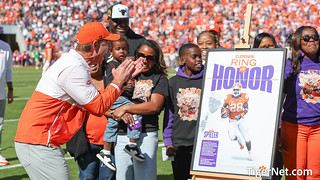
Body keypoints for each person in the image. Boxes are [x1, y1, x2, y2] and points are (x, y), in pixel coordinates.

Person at [14, 22, 143, 179]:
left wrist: (122, 82)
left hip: (39, 141)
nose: (109, 50)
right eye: (107, 44)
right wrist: (118, 82)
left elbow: (98, 101)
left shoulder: (74, 64)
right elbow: (98, 106)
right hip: (39, 142)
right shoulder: (74, 68)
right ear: (95, 45)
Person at [112, 39, 169, 180]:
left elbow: (154, 106)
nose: (144, 60)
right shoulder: (124, 74)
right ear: (136, 55)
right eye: (141, 55)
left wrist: (125, 108)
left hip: (146, 133)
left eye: (150, 58)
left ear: (156, 60)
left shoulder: (160, 78)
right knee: (122, 177)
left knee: (144, 177)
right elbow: (110, 100)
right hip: (123, 132)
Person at [96, 36, 145, 171]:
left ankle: (105, 152)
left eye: (124, 49)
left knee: (112, 124)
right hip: (117, 98)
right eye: (118, 49)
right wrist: (127, 81)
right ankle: (132, 144)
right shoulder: (113, 65)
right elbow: (116, 82)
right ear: (111, 51)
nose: (122, 52)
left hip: (114, 99)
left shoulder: (119, 64)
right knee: (137, 112)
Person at [281, 26, 320, 180]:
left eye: (315, 37)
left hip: (318, 128)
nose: (311, 40)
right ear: (298, 42)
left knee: (315, 174)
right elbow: (278, 90)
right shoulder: (290, 64)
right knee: (295, 175)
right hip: (293, 127)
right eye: (306, 38)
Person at [66, 63, 116, 180]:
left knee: (108, 178)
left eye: (96, 61)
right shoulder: (79, 85)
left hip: (110, 143)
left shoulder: (110, 83)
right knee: (87, 177)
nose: (92, 65)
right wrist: (71, 143)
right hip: (87, 145)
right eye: (88, 62)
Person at [163, 43, 203, 180]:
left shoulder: (207, 80)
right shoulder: (173, 82)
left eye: (200, 56)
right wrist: (168, 142)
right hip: (179, 143)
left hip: (202, 142)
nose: (199, 59)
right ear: (182, 60)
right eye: (194, 56)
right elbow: (169, 114)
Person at [253, 32, 283, 180]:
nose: (267, 49)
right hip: (256, 129)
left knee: (276, 171)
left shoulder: (285, 67)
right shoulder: (250, 71)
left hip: (278, 129)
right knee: (257, 173)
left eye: (270, 45)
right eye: (262, 46)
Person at [221, 82, 252, 161]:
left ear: (240, 90)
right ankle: (238, 139)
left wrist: (241, 115)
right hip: (232, 120)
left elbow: (246, 109)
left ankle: (250, 153)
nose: (235, 91)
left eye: (237, 90)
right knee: (232, 137)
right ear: (232, 90)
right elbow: (223, 107)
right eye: (234, 90)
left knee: (247, 138)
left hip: (241, 120)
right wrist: (223, 113)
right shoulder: (228, 98)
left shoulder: (244, 97)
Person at [0, 40, 14, 166]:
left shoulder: (5, 47)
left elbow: (8, 69)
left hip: (1, 93)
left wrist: (10, 89)